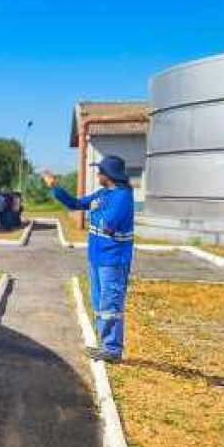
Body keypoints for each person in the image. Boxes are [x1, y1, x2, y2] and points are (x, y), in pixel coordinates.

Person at [44, 155, 134, 363]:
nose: (97, 174)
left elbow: (108, 224)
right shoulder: (104, 193)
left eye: (100, 171)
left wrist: (94, 210)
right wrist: (55, 187)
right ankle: (106, 346)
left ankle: (112, 349)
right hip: (97, 257)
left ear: (109, 174)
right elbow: (76, 204)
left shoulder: (122, 196)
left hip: (113, 260)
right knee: (99, 303)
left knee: (110, 305)